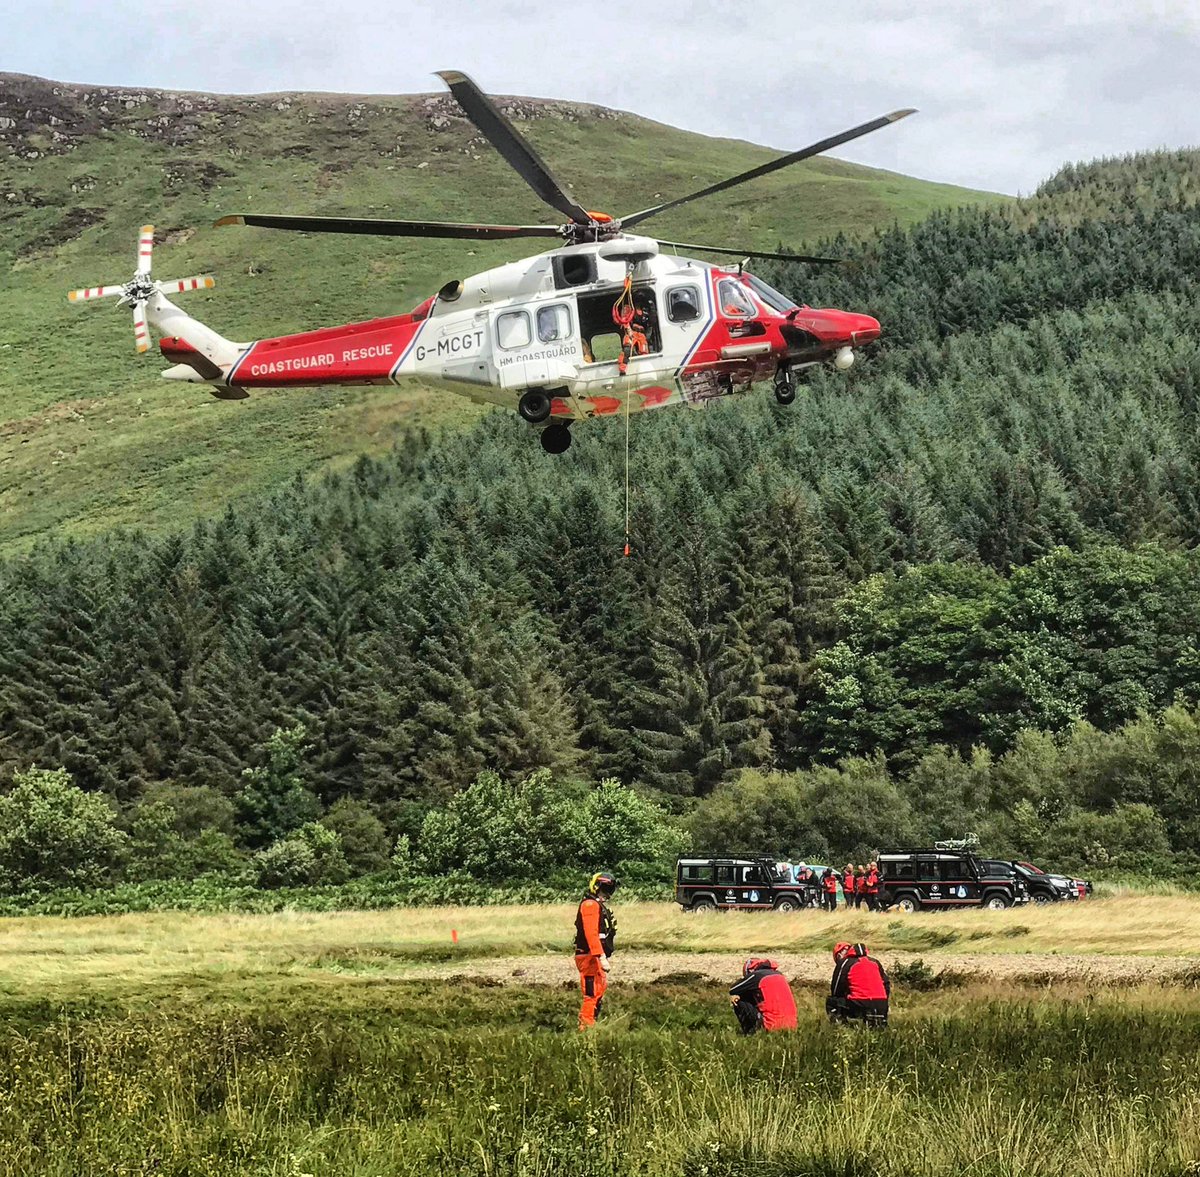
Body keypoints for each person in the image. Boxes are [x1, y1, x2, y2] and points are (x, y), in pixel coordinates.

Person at [574, 871, 618, 1030]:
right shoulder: (590, 905)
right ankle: (585, 1028)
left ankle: (590, 1024)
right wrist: (601, 957)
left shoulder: (596, 905)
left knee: (599, 989)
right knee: (591, 993)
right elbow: (591, 934)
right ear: (597, 887)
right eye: (606, 889)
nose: (608, 894)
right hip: (589, 956)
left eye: (610, 890)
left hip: (593, 957)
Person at [826, 942, 890, 1027]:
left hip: (860, 1004)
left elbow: (836, 988)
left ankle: (842, 1028)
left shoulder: (845, 963)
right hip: (882, 1004)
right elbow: (886, 984)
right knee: (877, 1027)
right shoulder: (875, 962)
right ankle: (879, 1024)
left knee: (832, 1001)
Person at [729, 957, 798, 1035]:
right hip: (791, 1026)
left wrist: (741, 993)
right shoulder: (779, 975)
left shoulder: (756, 976)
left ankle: (750, 1033)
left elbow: (733, 989)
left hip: (771, 1025)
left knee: (739, 1000)